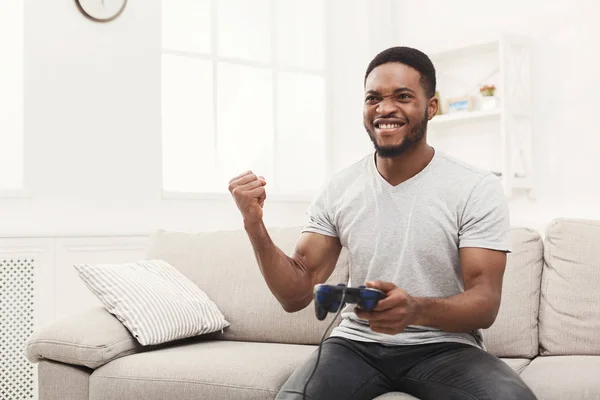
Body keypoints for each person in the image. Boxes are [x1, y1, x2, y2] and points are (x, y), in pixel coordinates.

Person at [228, 46, 537, 400]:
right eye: (373, 98)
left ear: (431, 107)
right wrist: (254, 225)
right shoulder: (339, 188)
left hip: (445, 347)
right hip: (355, 345)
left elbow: (485, 303)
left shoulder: (475, 187)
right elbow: (294, 294)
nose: (385, 108)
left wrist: (415, 309)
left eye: (403, 97)